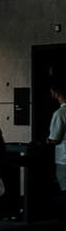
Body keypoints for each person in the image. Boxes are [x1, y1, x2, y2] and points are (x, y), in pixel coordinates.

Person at [47, 80, 66, 218]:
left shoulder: (60, 113)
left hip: (64, 160)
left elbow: (55, 139)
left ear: (56, 93)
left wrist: (46, 140)